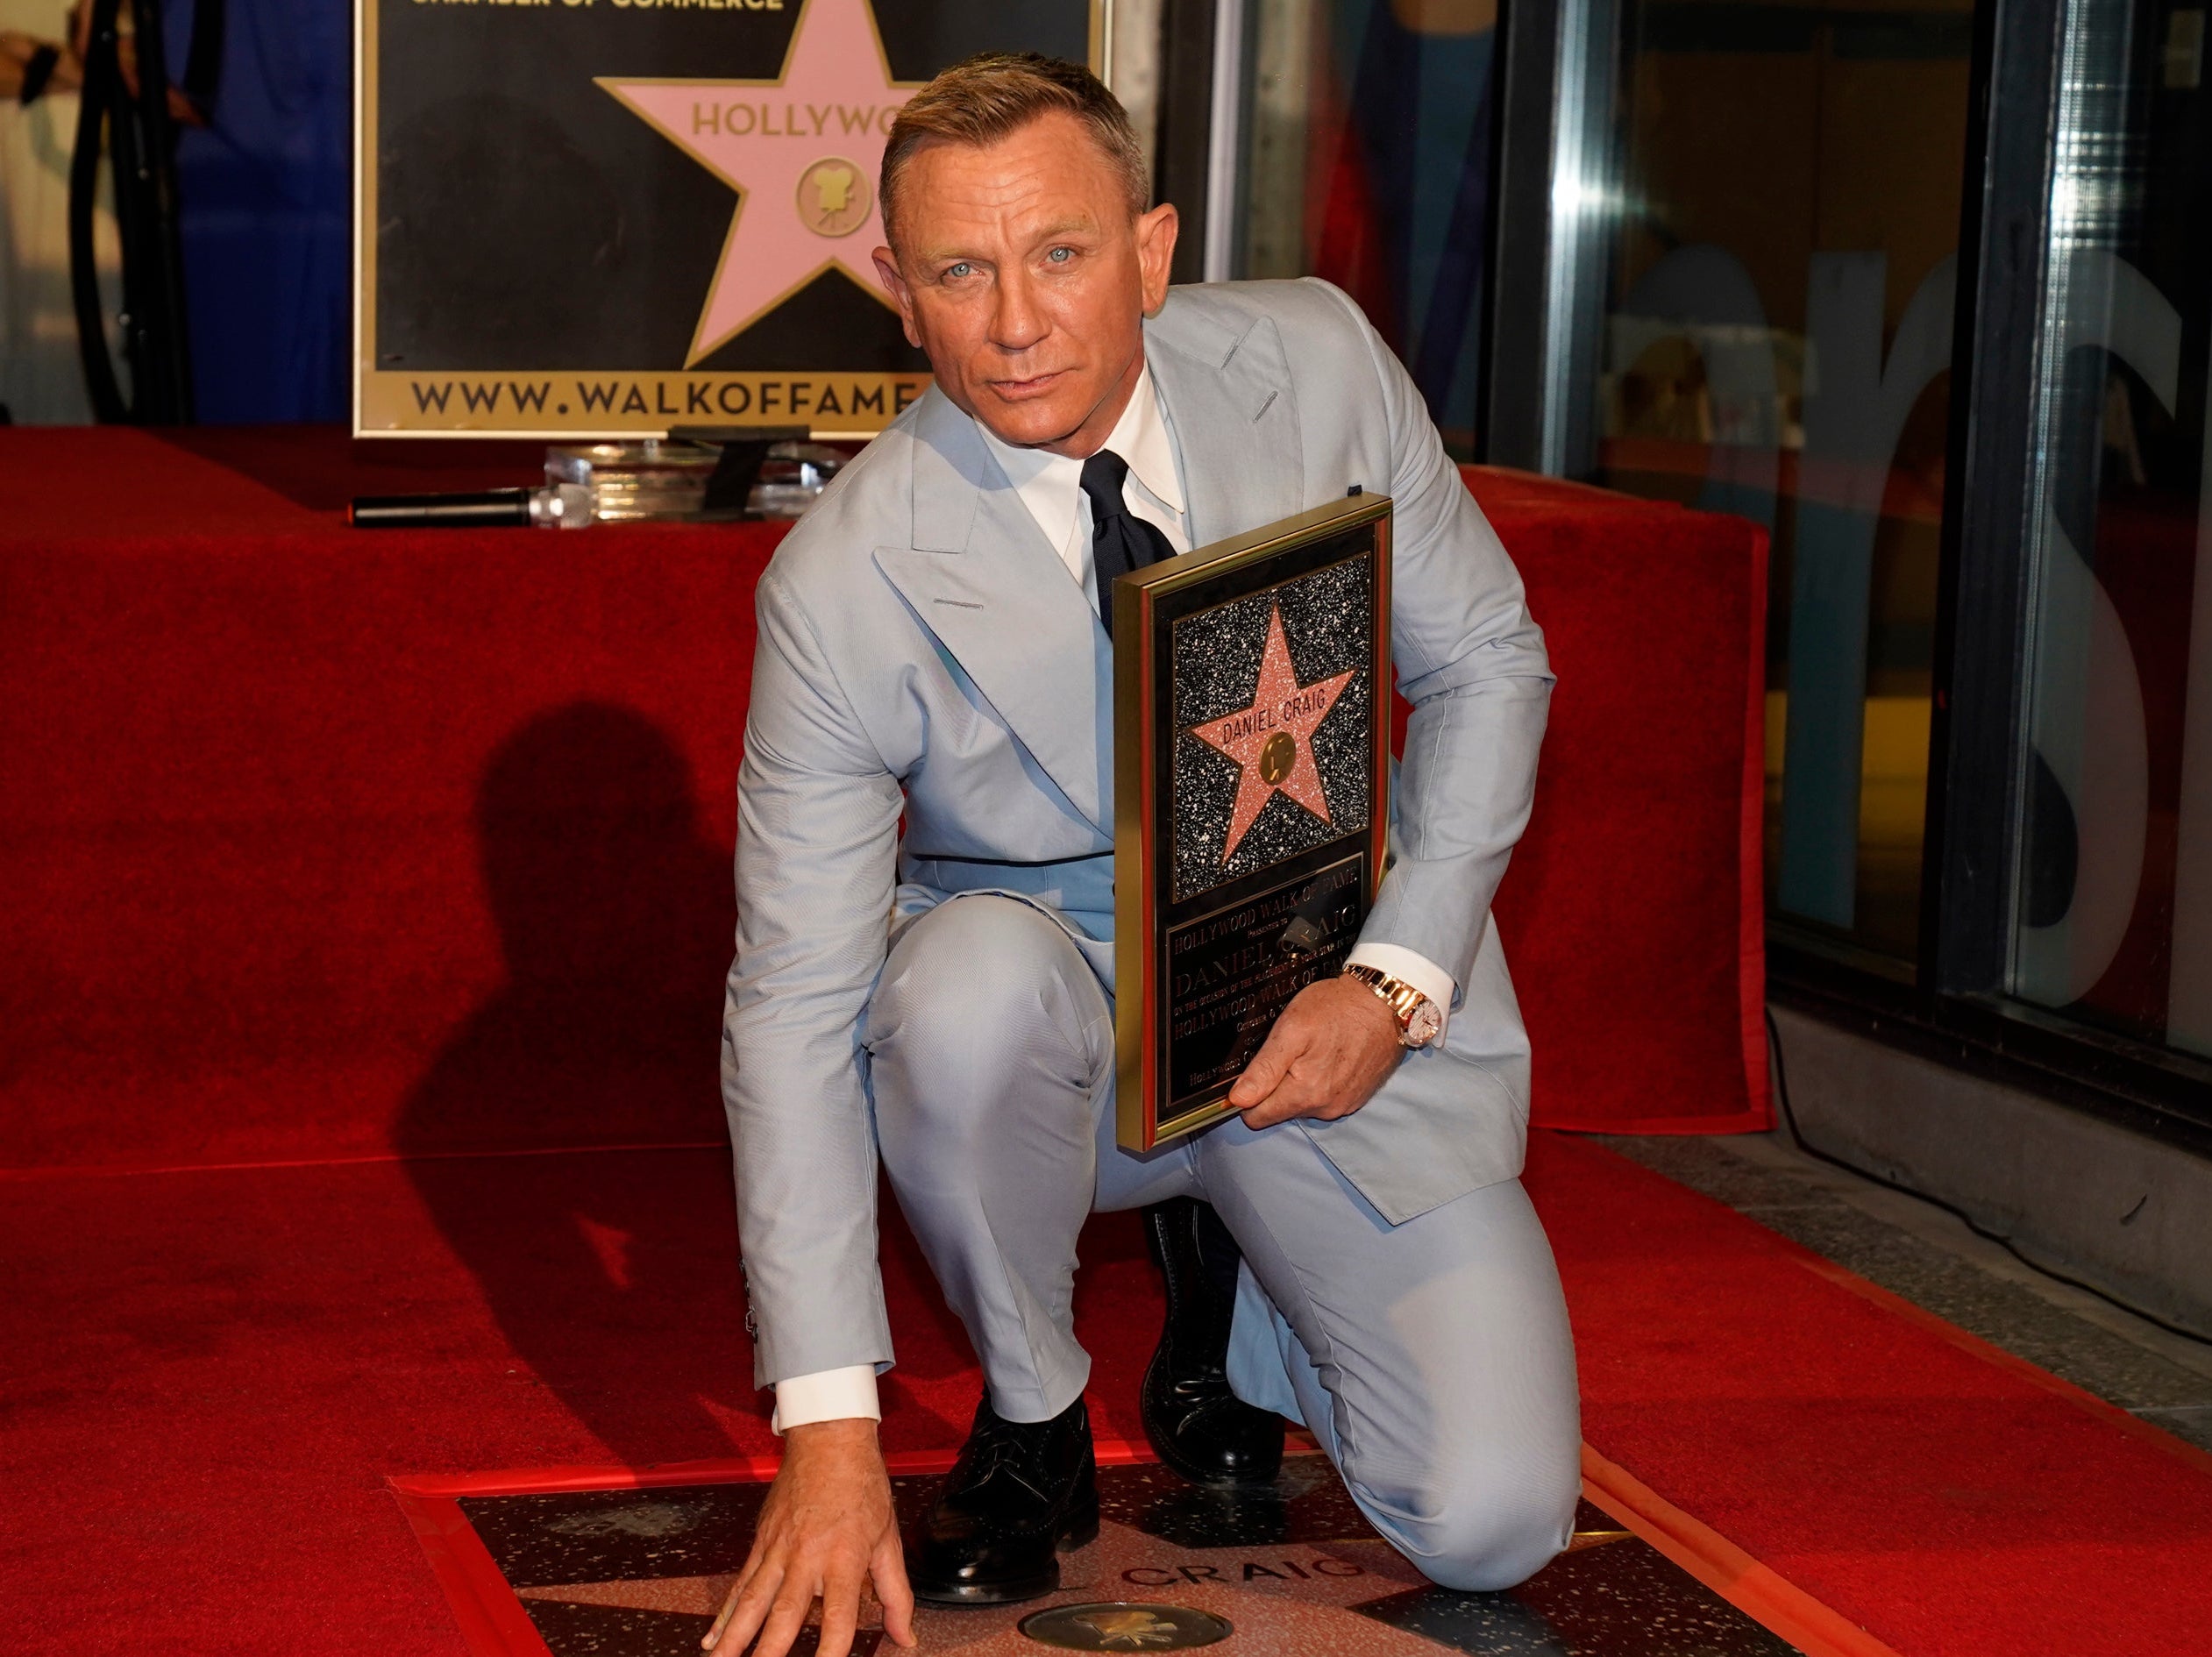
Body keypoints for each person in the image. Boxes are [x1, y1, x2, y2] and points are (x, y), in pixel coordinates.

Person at [708, 53, 1581, 1657]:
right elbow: (790, 1003)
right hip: (1059, 1030)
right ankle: (1037, 1412)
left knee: (1494, 1521)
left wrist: (1395, 978)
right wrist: (826, 1429)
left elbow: (1489, 663)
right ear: (898, 293)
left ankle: (1239, 1294)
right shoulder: (840, 579)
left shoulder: (1317, 360)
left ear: (1155, 249)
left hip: (1322, 1003)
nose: (1017, 320)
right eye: (960, 272)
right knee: (951, 989)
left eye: (1061, 252)